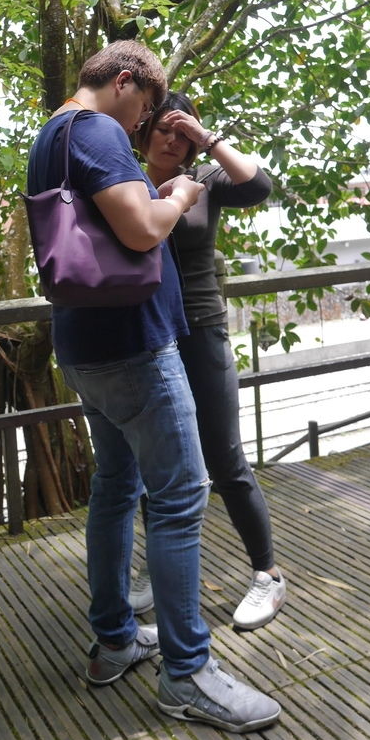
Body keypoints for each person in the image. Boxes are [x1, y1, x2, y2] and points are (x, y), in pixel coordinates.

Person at [27, 42, 281, 732]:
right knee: (178, 498)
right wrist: (180, 197)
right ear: (126, 82)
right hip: (134, 346)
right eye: (145, 109)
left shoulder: (51, 133)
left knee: (115, 488)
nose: (143, 123)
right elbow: (142, 232)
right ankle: (187, 672)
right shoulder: (99, 131)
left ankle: (115, 639)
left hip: (83, 343)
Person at [130, 91, 286, 631]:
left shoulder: (205, 183)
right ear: (143, 131)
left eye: (184, 134)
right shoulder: (125, 184)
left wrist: (208, 139)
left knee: (224, 458)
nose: (174, 141)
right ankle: (158, 568)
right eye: (164, 129)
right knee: (155, 464)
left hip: (201, 331)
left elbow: (259, 186)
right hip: (149, 335)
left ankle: (268, 573)